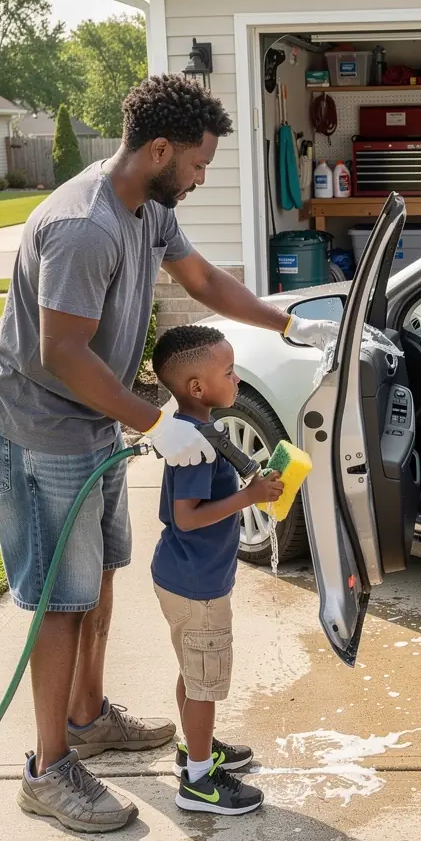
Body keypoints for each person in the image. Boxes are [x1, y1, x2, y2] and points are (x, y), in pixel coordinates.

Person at [0, 74, 334, 834]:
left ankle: (88, 717)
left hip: (89, 420)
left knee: (97, 580)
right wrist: (152, 421)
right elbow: (63, 352)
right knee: (59, 603)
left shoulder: (150, 210)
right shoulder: (84, 226)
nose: (200, 179)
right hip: (35, 424)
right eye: (198, 165)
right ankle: (49, 768)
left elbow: (201, 280)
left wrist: (286, 324)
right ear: (159, 148)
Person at [148, 324, 283, 815]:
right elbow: (188, 516)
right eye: (229, 373)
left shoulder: (198, 430)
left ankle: (194, 749)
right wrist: (248, 497)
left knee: (192, 670)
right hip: (196, 586)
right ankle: (200, 783)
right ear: (197, 388)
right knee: (204, 681)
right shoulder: (195, 448)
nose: (237, 381)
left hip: (183, 578)